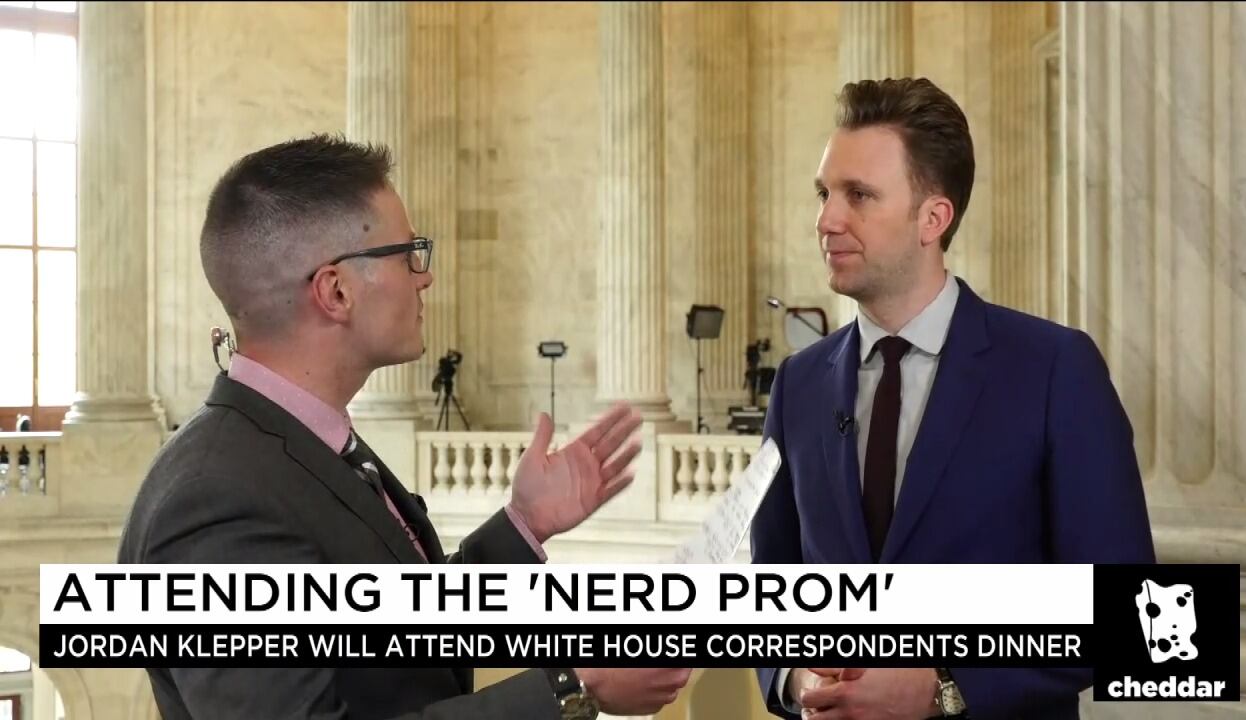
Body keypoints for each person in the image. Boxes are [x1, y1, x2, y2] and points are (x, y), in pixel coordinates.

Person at [118, 135, 691, 719]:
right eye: (407, 255)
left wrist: (525, 524)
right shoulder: (215, 501)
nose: (425, 277)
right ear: (335, 291)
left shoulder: (302, 440)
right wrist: (572, 686)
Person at [749, 78, 1156, 720]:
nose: (827, 220)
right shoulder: (797, 385)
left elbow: (1128, 610)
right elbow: (768, 587)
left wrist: (944, 686)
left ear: (933, 218)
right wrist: (796, 678)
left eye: (859, 195)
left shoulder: (1055, 370)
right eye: (825, 194)